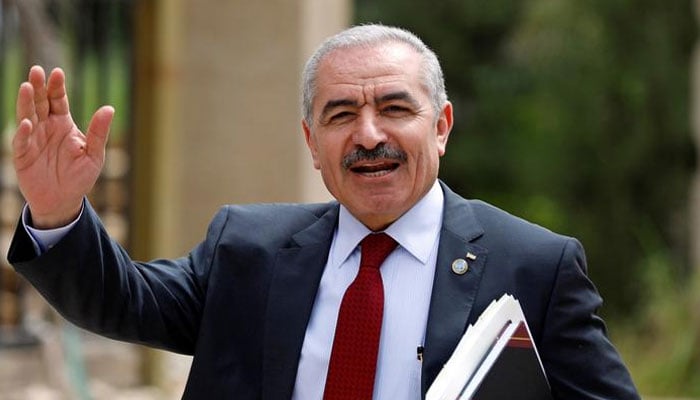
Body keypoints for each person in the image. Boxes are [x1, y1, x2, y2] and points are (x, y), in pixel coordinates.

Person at [7, 24, 640, 399]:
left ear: (441, 126)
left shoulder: (535, 265)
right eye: (340, 115)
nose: (368, 135)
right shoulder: (246, 249)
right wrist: (60, 211)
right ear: (312, 143)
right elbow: (122, 301)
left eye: (395, 108)